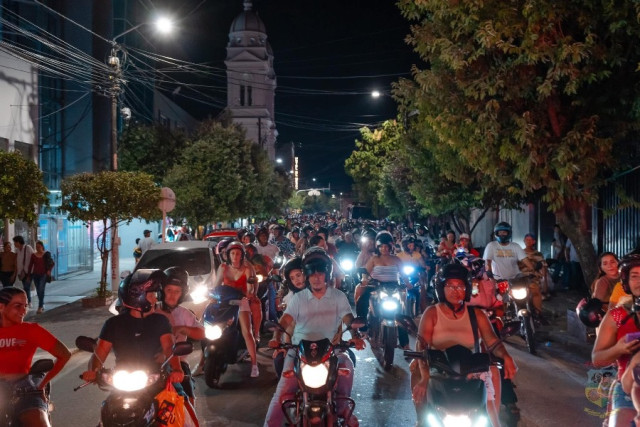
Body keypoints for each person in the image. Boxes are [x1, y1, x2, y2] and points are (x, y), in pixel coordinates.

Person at [265, 247, 365, 426]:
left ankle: (342, 406)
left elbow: (348, 318)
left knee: (347, 367)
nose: (317, 278)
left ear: (327, 275)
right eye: (312, 274)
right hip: (299, 352)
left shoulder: (338, 297)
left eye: (320, 274)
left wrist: (355, 335)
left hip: (331, 351)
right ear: (307, 276)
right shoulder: (299, 299)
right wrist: (277, 337)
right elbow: (285, 321)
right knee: (282, 393)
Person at [411, 263, 517, 427]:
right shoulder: (432, 313)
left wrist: (506, 356)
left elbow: (493, 342)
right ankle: (420, 420)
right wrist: (425, 378)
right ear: (441, 288)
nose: (455, 290)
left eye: (460, 286)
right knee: (416, 371)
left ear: (467, 289)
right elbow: (422, 345)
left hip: (472, 369)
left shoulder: (478, 315)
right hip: (438, 367)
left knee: (492, 385)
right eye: (450, 286)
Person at [81, 269, 184, 390]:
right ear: (137, 297)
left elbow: (169, 348)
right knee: (108, 407)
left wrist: (177, 369)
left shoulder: (160, 321)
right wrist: (94, 372)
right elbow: (100, 354)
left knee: (179, 399)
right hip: (123, 382)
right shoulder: (113, 324)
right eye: (151, 295)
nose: (155, 300)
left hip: (157, 381)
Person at [0, 287, 71, 427]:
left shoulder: (31, 330)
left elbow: (64, 355)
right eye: (18, 306)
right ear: (1, 307)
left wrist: (43, 383)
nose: (23, 311)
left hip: (25, 389)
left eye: (25, 306)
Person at [592, 254, 640, 427]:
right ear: (626, 281)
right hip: (627, 390)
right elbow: (597, 359)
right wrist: (618, 349)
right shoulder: (618, 315)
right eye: (634, 276)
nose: (639, 281)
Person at [354, 231, 411, 349]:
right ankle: (363, 328)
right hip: (376, 287)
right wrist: (364, 280)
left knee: (401, 312)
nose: (384, 249)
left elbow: (404, 275)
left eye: (386, 246)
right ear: (378, 247)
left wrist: (408, 284)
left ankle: (405, 343)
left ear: (391, 247)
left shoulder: (397, 260)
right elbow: (366, 273)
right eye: (381, 246)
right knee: (362, 301)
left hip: (394, 288)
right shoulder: (374, 259)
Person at [157, 266, 205, 406]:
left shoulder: (184, 313)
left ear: (182, 294)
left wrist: (184, 329)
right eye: (169, 290)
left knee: (188, 400)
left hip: (178, 365)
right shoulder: (152, 311)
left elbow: (202, 333)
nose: (172, 295)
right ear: (162, 290)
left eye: (177, 292)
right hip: (152, 363)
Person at [211, 242, 260, 377]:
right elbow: (216, 286)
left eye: (238, 254)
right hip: (225, 302)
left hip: (240, 301)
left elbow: (250, 289)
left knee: (247, 331)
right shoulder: (223, 267)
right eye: (232, 253)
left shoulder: (247, 268)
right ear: (228, 255)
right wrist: (212, 295)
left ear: (242, 255)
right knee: (209, 324)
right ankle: (203, 362)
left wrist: (249, 290)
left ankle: (254, 365)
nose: (235, 256)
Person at [273, 256, 305, 378]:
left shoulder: (323, 293)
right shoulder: (291, 299)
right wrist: (285, 345)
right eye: (292, 278)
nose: (296, 280)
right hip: (299, 345)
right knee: (280, 361)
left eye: (298, 275)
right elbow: (287, 325)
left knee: (345, 364)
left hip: (323, 344)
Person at [520, 233, 548, 316]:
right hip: (520, 278)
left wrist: (545, 282)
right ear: (524, 241)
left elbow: (543, 267)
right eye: (526, 240)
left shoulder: (538, 254)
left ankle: (538, 313)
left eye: (530, 240)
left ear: (534, 241)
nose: (528, 241)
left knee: (536, 292)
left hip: (533, 278)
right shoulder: (520, 253)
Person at [28, 241, 54, 314]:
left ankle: (40, 306)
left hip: (43, 274)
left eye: (39, 246)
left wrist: (49, 270)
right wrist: (29, 275)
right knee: (38, 290)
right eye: (36, 247)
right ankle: (42, 303)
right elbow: (30, 265)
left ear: (42, 246)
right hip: (35, 275)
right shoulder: (33, 255)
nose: (37, 248)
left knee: (40, 289)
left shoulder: (46, 254)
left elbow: (52, 263)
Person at [13, 236, 34, 307]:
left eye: (15, 242)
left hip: (29, 272)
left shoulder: (28, 248)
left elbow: (33, 258)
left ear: (19, 242)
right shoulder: (18, 250)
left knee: (26, 287)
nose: (14, 244)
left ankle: (29, 302)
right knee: (25, 287)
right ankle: (27, 301)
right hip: (22, 273)